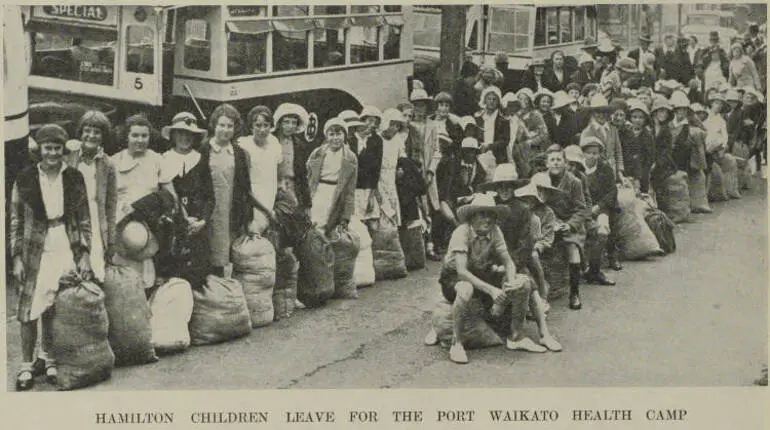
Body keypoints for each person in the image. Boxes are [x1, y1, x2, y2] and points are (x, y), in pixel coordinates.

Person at [430, 193, 558, 364]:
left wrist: (511, 282)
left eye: (491, 215)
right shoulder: (462, 232)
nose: (488, 220)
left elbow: (508, 261)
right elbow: (461, 271)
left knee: (524, 282)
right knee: (465, 289)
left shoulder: (495, 231)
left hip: (481, 272)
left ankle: (517, 336)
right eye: (482, 214)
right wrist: (492, 291)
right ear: (472, 217)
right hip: (454, 277)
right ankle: (457, 343)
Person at [11, 124, 92, 390]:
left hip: (64, 242)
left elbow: (83, 219)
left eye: (58, 149)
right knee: (30, 306)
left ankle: (48, 358)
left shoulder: (74, 177)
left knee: (55, 304)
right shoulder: (25, 178)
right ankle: (26, 364)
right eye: (48, 148)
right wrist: (17, 258)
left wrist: (84, 255)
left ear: (64, 150)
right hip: (35, 246)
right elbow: (15, 220)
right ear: (40, 149)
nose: (53, 154)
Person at [158, 112, 214, 287]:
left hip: (197, 225)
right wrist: (180, 219)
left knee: (197, 272)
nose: (185, 138)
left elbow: (210, 196)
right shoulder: (163, 159)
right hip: (173, 225)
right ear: (173, 135)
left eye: (189, 134)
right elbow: (163, 194)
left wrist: (202, 220)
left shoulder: (200, 160)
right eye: (181, 133)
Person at [203, 104, 255, 277]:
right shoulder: (204, 150)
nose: (225, 130)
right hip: (209, 210)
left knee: (230, 251)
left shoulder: (239, 153)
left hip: (231, 208)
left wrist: (248, 216)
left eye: (229, 126)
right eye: (221, 125)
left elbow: (246, 187)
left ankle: (226, 291)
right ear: (214, 126)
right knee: (210, 251)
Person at [66, 111, 117, 282]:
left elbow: (111, 204)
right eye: (87, 131)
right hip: (71, 220)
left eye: (97, 132)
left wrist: (111, 239)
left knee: (94, 271)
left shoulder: (107, 164)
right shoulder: (69, 158)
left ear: (103, 136)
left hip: (95, 221)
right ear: (80, 133)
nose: (91, 136)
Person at [539, 148, 589, 310]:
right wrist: (549, 222)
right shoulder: (541, 180)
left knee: (573, 249)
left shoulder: (574, 182)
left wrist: (570, 225)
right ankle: (540, 293)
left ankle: (574, 293)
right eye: (552, 160)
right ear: (547, 163)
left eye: (559, 159)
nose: (555, 163)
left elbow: (581, 209)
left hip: (568, 224)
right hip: (547, 223)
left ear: (565, 163)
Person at [306, 117, 358, 235]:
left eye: (339, 134)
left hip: (336, 194)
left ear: (344, 135)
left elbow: (350, 190)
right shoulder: (317, 153)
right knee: (314, 226)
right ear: (326, 136)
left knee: (330, 228)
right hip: (318, 193)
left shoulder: (350, 157)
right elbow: (308, 176)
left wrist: (346, 217)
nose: (335, 138)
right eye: (331, 134)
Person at [512, 177, 558, 309]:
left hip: (540, 248)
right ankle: (528, 300)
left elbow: (547, 237)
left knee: (532, 256)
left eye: (530, 199)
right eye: (524, 199)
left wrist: (537, 247)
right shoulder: (519, 212)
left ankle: (542, 291)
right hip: (521, 247)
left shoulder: (544, 214)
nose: (527, 202)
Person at [580, 136, 619, 285]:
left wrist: (599, 206)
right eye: (589, 152)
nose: (592, 156)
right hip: (582, 208)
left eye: (595, 153)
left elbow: (612, 191)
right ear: (583, 153)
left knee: (602, 231)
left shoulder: (605, 168)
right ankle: (583, 266)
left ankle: (595, 271)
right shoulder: (578, 168)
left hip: (600, 207)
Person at [237, 106, 282, 234]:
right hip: (253, 198)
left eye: (266, 125)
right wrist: (266, 210)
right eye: (258, 125)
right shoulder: (244, 145)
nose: (262, 129)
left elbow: (275, 171)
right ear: (251, 127)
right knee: (254, 232)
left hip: (270, 194)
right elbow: (244, 184)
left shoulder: (274, 143)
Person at [669, 91, 710, 211]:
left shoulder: (692, 121)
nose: (681, 112)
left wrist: (694, 132)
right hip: (674, 154)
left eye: (683, 109)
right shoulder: (670, 123)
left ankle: (696, 203)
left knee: (694, 177)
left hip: (689, 155)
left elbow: (704, 132)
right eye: (678, 109)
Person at [272, 103, 313, 212]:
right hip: (272, 185)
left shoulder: (299, 145)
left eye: (293, 123)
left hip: (292, 187)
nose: (290, 126)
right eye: (286, 122)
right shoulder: (271, 141)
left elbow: (302, 175)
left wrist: (307, 204)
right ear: (280, 123)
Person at [349, 106, 384, 220]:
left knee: (372, 220)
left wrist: (371, 195)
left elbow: (376, 169)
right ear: (362, 120)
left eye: (376, 122)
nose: (373, 125)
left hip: (368, 188)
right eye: (370, 121)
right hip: (352, 188)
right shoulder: (350, 139)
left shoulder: (376, 140)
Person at [580, 94, 625, 179]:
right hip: (596, 174)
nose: (601, 115)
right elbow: (585, 157)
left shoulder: (613, 129)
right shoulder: (587, 132)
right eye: (598, 112)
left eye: (604, 112)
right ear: (592, 113)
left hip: (612, 172)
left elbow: (618, 152)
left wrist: (620, 172)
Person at [377, 108, 409, 226]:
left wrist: (400, 168)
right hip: (379, 177)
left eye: (397, 126)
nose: (395, 128)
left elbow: (402, 157)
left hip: (392, 177)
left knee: (392, 206)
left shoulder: (397, 140)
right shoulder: (377, 138)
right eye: (392, 124)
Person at [620, 99, 655, 194]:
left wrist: (640, 176)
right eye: (634, 117)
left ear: (645, 120)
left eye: (641, 117)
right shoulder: (625, 133)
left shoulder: (647, 136)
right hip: (626, 171)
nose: (637, 120)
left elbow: (649, 157)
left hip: (642, 172)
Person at [474, 86, 510, 165]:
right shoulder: (478, 117)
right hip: (480, 153)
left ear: (498, 101)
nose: (491, 101)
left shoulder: (503, 119)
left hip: (497, 155)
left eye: (494, 99)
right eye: (489, 99)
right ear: (485, 100)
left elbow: (505, 140)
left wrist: (490, 146)